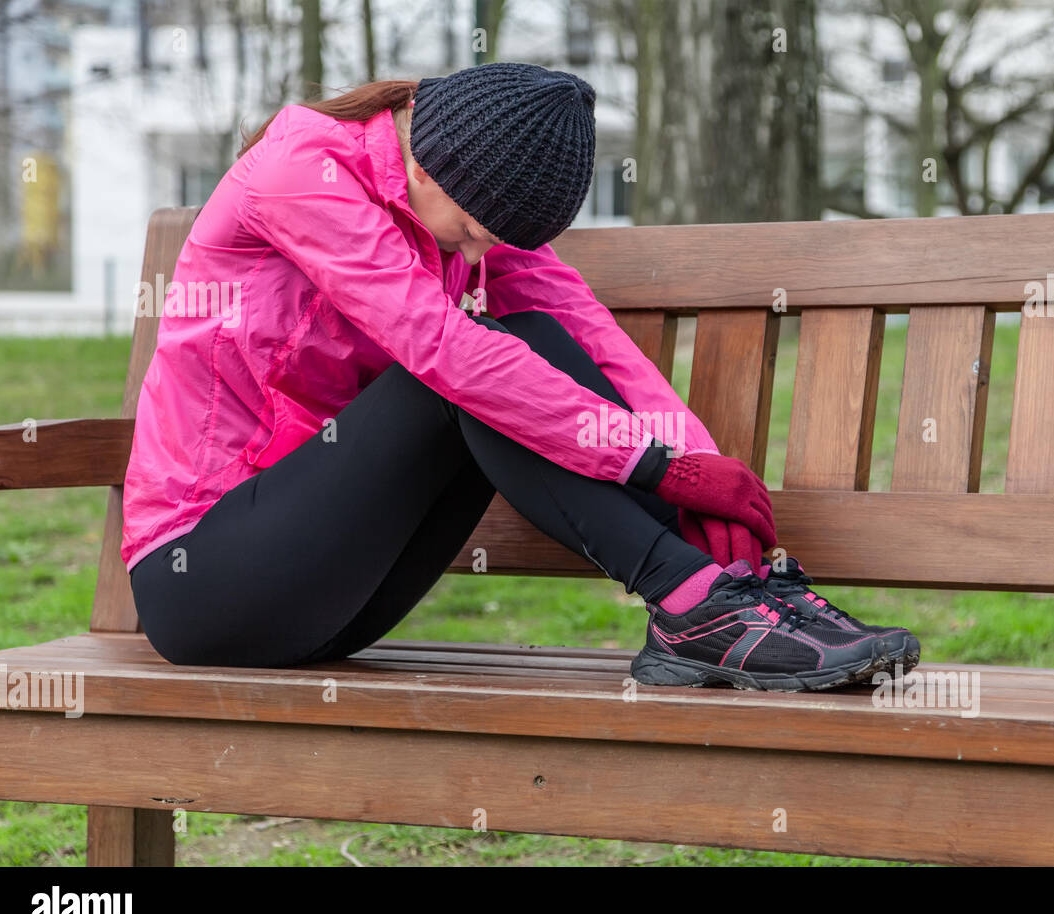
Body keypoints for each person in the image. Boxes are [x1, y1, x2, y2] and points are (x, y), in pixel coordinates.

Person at [122, 61, 919, 692]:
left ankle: (726, 590)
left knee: (530, 336)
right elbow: (439, 346)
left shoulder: (465, 194)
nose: (477, 254)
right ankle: (691, 603)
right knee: (462, 368)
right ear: (429, 168)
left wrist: (695, 470)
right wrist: (652, 466)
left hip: (335, 600)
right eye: (472, 232)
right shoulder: (299, 171)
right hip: (204, 582)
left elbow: (593, 338)